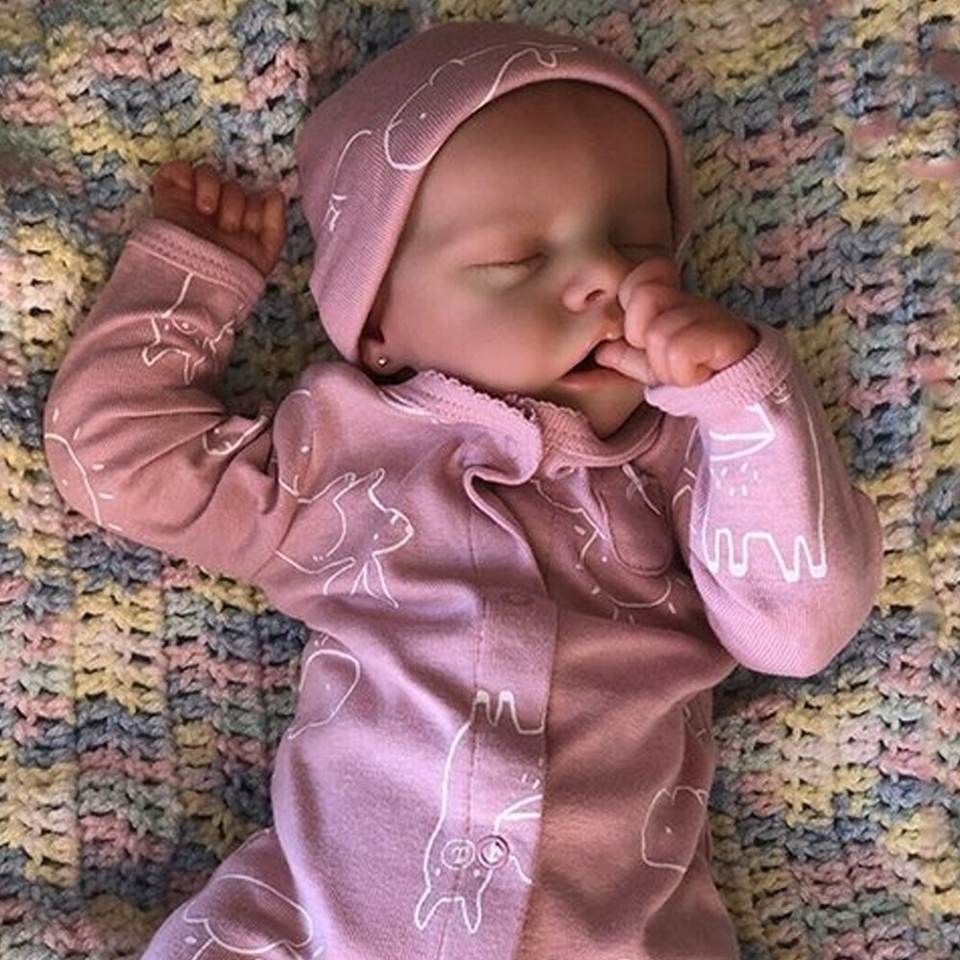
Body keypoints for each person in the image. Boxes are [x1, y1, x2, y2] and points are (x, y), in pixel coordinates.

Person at [42, 19, 883, 960]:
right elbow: (114, 459)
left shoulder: (688, 456)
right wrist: (195, 281)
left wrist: (745, 398)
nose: (607, 279)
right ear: (377, 325)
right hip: (323, 927)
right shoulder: (343, 460)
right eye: (517, 258)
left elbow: (799, 630)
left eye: (641, 244)